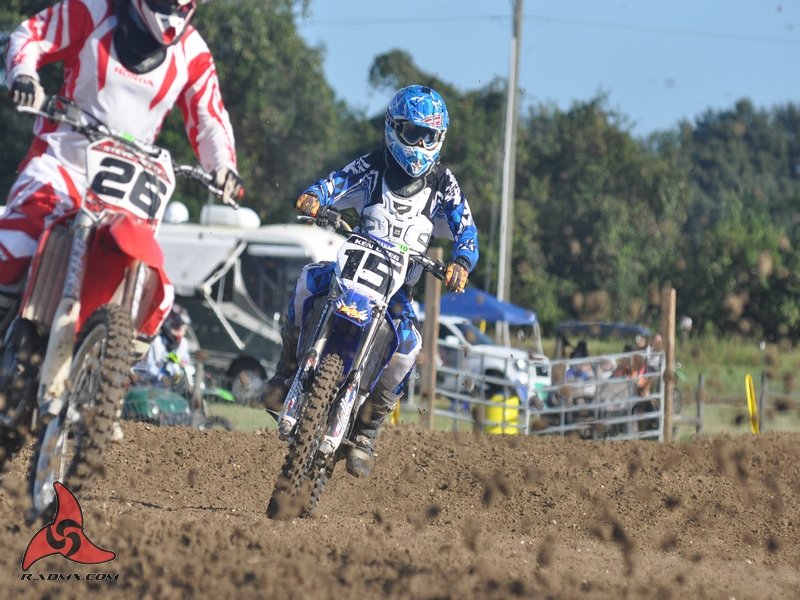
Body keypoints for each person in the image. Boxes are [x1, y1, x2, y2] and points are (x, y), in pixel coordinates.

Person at [261, 84, 479, 478]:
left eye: (430, 136)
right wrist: (315, 197)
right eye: (414, 133)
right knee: (308, 280)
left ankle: (365, 431)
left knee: (408, 348)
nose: (421, 144)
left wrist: (461, 262)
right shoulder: (373, 165)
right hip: (353, 267)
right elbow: (336, 182)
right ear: (394, 128)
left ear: (441, 138)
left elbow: (467, 229)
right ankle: (285, 369)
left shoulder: (442, 183)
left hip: (396, 289)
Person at [0, 0, 244, 333]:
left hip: (128, 184)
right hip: (62, 163)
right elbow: (31, 35)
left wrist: (224, 166)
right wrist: (24, 75)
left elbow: (209, 118)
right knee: (15, 244)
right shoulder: (94, 10)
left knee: (155, 294)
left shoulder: (192, 51)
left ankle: (122, 358)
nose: (173, 11)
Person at [132, 303, 192, 388]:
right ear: (169, 323)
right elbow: (150, 368)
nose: (180, 330)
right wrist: (162, 377)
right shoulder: (156, 340)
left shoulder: (184, 344)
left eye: (183, 327)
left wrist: (178, 366)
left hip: (171, 388)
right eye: (177, 325)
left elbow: (186, 364)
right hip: (146, 385)